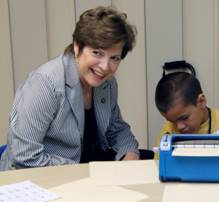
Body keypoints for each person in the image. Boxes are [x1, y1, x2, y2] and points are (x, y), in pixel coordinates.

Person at [0, 6, 140, 171]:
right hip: (41, 178)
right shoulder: (45, 84)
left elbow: (116, 128)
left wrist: (130, 154)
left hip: (88, 175)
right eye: (97, 53)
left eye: (114, 58)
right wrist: (85, 172)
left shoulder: (107, 83)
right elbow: (24, 156)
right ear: (77, 46)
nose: (105, 67)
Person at [155, 71, 219, 148]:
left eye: (185, 118)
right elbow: (158, 165)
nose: (179, 127)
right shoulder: (168, 130)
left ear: (201, 101)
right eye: (172, 121)